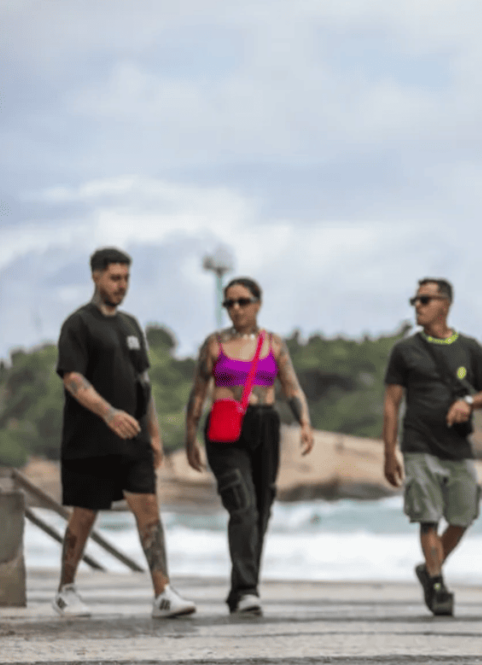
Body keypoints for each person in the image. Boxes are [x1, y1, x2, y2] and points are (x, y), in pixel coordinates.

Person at [53, 247, 196, 619]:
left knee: (149, 507)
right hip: (89, 441)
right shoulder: (78, 325)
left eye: (126, 278)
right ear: (96, 276)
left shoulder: (131, 326)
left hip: (133, 441)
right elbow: (72, 378)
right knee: (84, 514)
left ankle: (163, 592)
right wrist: (109, 413)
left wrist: (154, 434)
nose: (121, 285)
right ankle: (65, 590)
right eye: (115, 278)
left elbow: (143, 383)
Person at [184, 277, 314, 615]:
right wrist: (189, 437)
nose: (236, 309)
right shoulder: (214, 344)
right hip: (225, 429)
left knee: (262, 508)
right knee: (242, 505)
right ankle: (246, 590)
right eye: (229, 303)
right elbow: (198, 392)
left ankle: (242, 589)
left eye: (242, 301)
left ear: (258, 303)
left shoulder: (273, 343)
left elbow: (291, 387)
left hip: (264, 426)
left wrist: (304, 422)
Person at [381, 278, 482, 616]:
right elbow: (391, 402)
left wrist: (469, 403)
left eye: (425, 299)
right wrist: (389, 451)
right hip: (418, 444)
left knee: (463, 515)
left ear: (445, 304)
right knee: (427, 517)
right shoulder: (405, 350)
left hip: (458, 446)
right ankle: (438, 584)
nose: (417, 305)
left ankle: (429, 568)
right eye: (415, 300)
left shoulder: (470, 348)